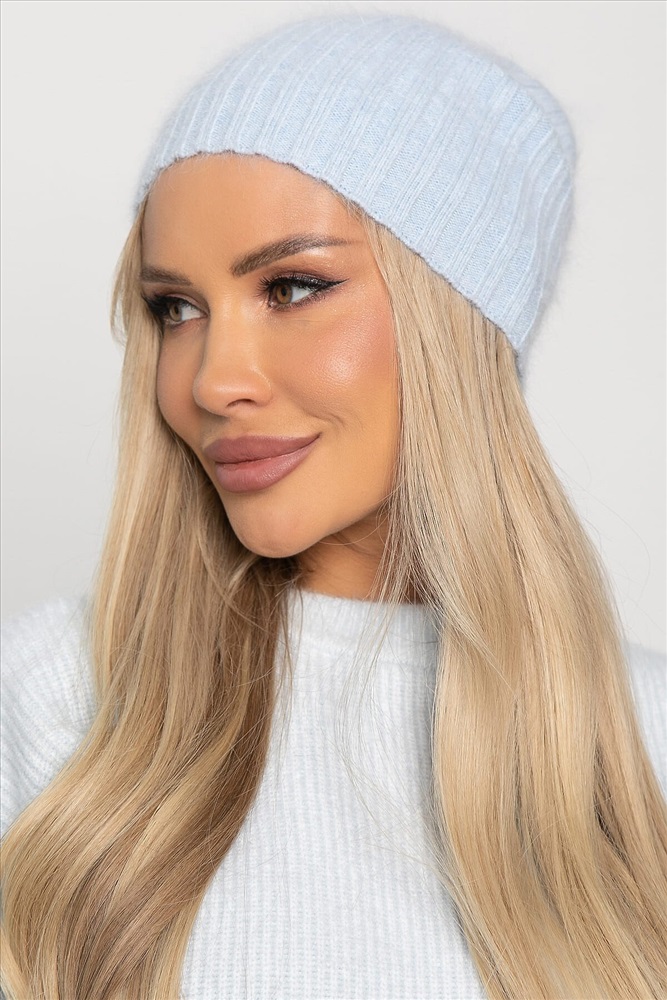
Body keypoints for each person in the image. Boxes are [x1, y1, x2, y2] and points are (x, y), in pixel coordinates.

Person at [1, 12, 665, 1000]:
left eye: (292, 286)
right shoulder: (53, 701)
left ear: (456, 320)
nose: (213, 379)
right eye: (176, 308)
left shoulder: (643, 738)